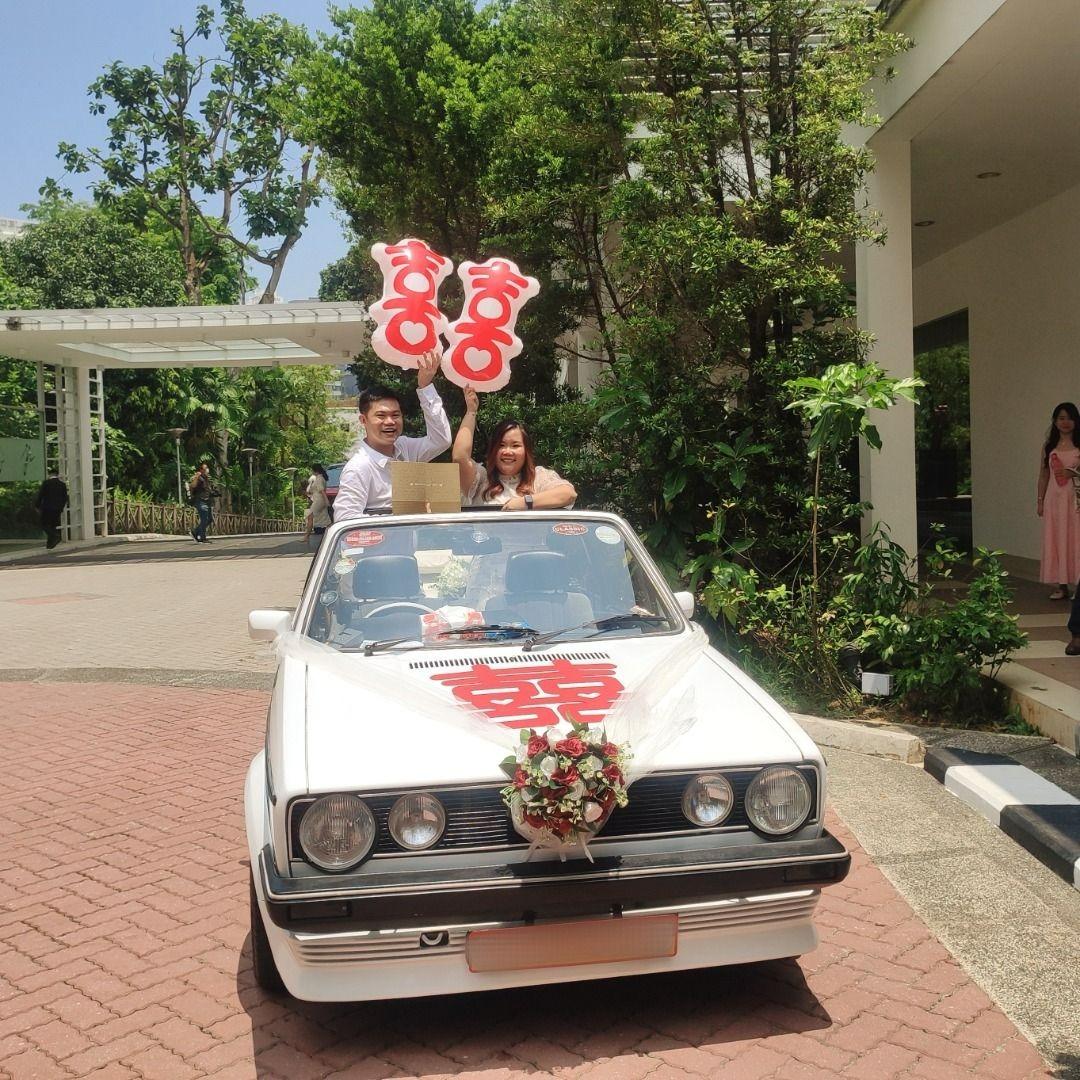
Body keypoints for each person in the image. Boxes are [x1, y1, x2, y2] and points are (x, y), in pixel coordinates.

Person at [332, 350, 451, 518]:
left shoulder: (405, 449)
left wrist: (425, 388)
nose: (389, 421)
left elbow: (441, 440)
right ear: (363, 420)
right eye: (381, 416)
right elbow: (345, 518)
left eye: (395, 415)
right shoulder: (359, 468)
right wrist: (393, 521)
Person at [453, 385, 577, 509]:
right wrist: (471, 412)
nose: (507, 451)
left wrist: (525, 502)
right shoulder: (481, 481)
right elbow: (459, 457)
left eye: (515, 445)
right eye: (501, 445)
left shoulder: (538, 478)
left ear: (526, 451)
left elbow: (568, 494)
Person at [1037, 402, 1080, 601]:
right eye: (1061, 418)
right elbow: (1043, 475)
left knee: (1076, 540)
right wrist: (1040, 500)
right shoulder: (1049, 447)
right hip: (1054, 500)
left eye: (1070, 418)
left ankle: (1078, 585)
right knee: (1057, 539)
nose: (1066, 422)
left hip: (1075, 501)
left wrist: (1074, 473)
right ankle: (1062, 586)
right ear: (1055, 421)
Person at [36, 471, 69, 550]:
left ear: (50, 475)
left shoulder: (46, 483)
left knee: (44, 524)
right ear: (57, 475)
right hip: (57, 509)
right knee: (53, 525)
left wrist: (37, 506)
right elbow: (65, 498)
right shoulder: (62, 484)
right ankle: (50, 544)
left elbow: (41, 495)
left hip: (47, 508)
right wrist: (61, 507)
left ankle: (55, 536)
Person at [188, 461, 219, 543]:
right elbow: (192, 486)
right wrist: (196, 477)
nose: (207, 470)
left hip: (207, 501)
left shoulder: (206, 479)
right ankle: (202, 537)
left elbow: (207, 490)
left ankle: (195, 532)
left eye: (207, 468)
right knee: (204, 520)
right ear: (201, 470)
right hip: (201, 501)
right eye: (205, 468)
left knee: (210, 519)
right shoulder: (199, 478)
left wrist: (214, 493)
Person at [302, 463, 332, 546]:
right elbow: (314, 491)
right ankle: (332, 532)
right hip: (319, 499)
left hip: (319, 500)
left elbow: (322, 491)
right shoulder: (320, 478)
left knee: (310, 516)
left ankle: (306, 537)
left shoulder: (319, 479)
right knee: (326, 519)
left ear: (314, 470)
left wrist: (326, 501)